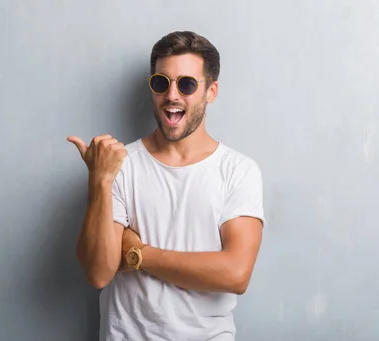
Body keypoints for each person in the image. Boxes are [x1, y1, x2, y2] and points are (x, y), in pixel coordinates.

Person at [67, 31, 265, 341]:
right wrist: (100, 180)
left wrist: (138, 254)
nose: (172, 95)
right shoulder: (120, 163)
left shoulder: (238, 171)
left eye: (187, 84)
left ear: (211, 91)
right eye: (161, 82)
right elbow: (98, 272)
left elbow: (236, 274)